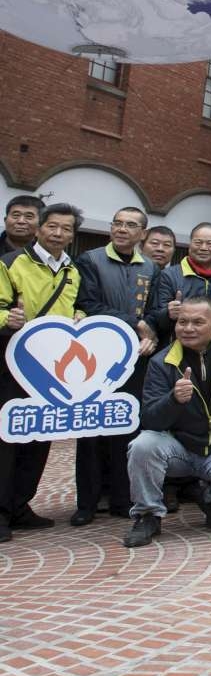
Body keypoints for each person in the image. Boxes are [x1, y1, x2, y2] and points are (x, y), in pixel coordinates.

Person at [123, 295, 211, 548]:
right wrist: (173, 399)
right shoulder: (161, 361)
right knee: (142, 445)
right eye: (182, 322)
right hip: (179, 448)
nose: (188, 328)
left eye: (198, 322)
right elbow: (150, 418)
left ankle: (210, 498)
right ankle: (148, 515)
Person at [0, 203, 83, 540]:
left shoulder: (72, 271)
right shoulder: (10, 264)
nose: (58, 234)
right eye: (52, 226)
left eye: (66, 229)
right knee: (7, 439)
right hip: (11, 364)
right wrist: (7, 319)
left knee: (39, 437)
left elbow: (75, 305)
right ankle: (1, 512)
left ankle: (20, 505)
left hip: (50, 371)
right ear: (39, 229)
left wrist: (79, 314)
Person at [72, 206, 160, 525]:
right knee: (91, 430)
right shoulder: (90, 260)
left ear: (142, 234)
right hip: (94, 361)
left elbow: (156, 310)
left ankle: (124, 499)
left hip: (135, 360)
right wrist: (137, 323)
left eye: (131, 225)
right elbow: (89, 304)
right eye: (118, 223)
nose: (122, 229)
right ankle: (87, 503)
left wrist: (151, 332)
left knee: (127, 427)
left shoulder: (151, 268)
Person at [146, 222, 211, 344]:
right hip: (175, 349)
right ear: (190, 244)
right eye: (198, 242)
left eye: (210, 243)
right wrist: (168, 313)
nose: (203, 248)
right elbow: (155, 318)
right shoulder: (169, 275)